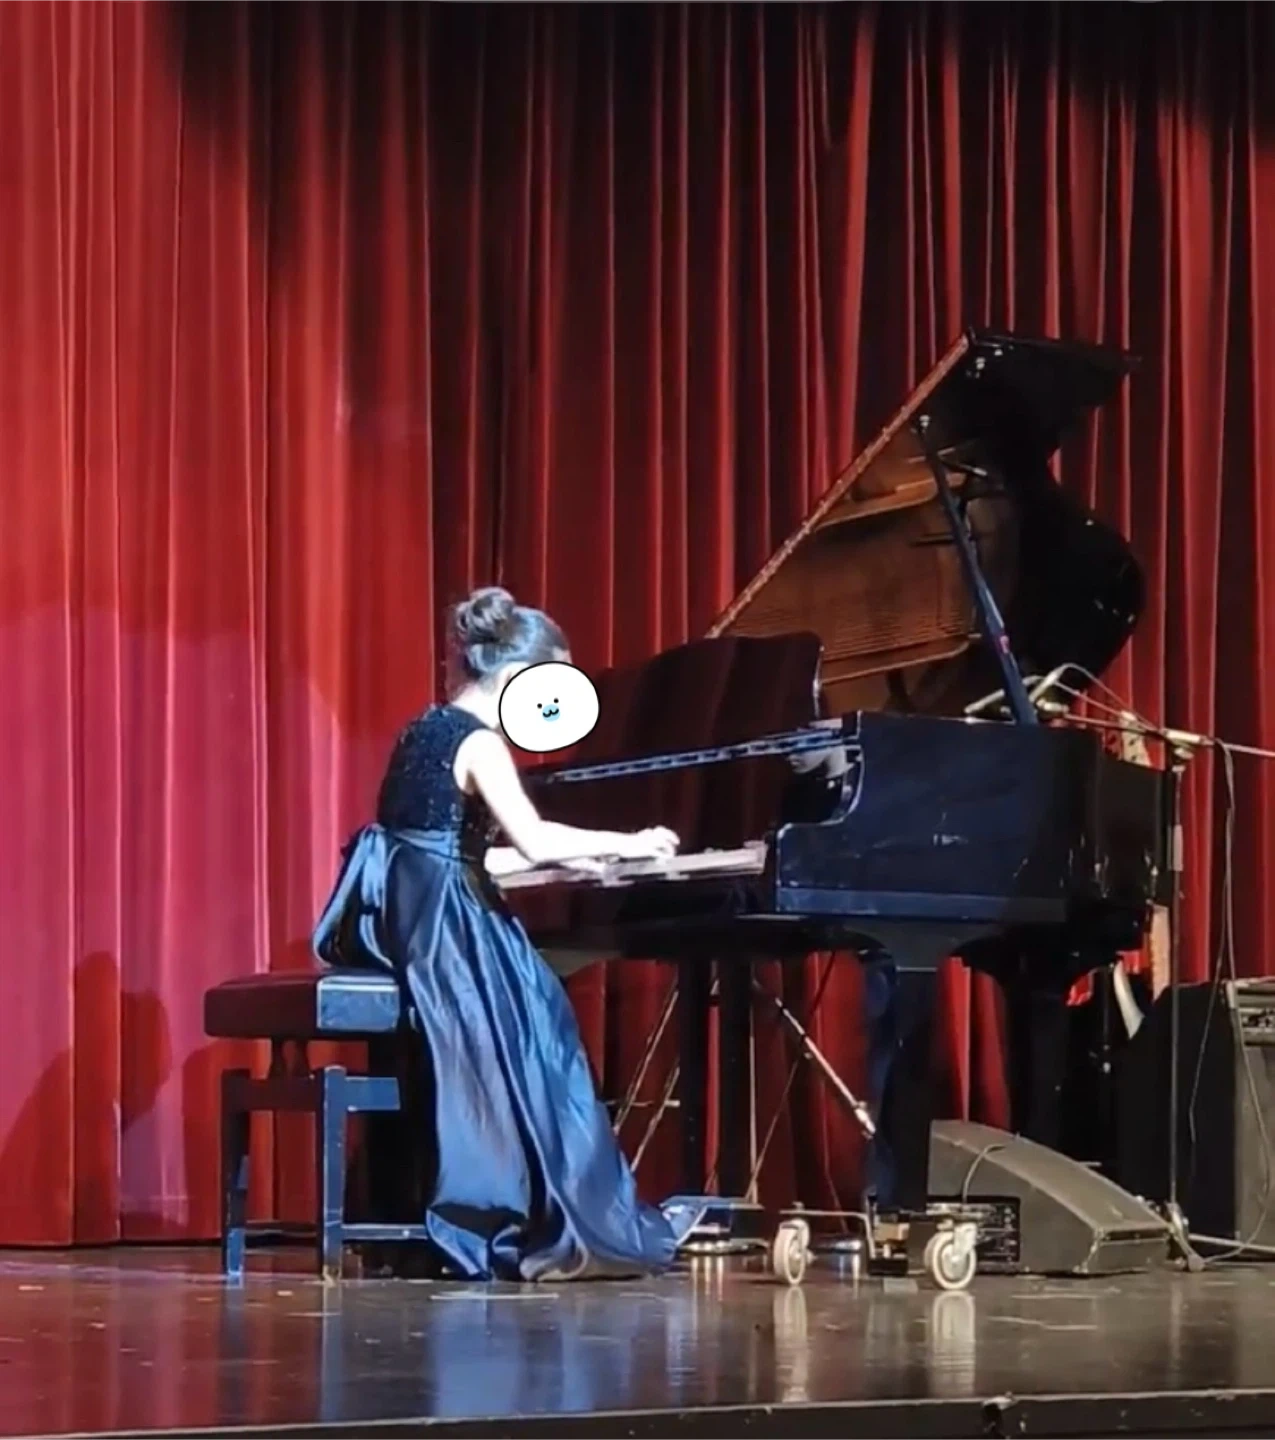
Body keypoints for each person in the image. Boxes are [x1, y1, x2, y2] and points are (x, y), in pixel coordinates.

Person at [312, 586, 685, 1281]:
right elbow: (531, 840)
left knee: (535, 1011)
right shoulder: (480, 742)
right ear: (516, 677)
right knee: (542, 1022)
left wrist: (579, 860)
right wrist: (630, 842)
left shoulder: (423, 730)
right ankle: (531, 1207)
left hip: (415, 917)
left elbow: (456, 852)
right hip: (450, 926)